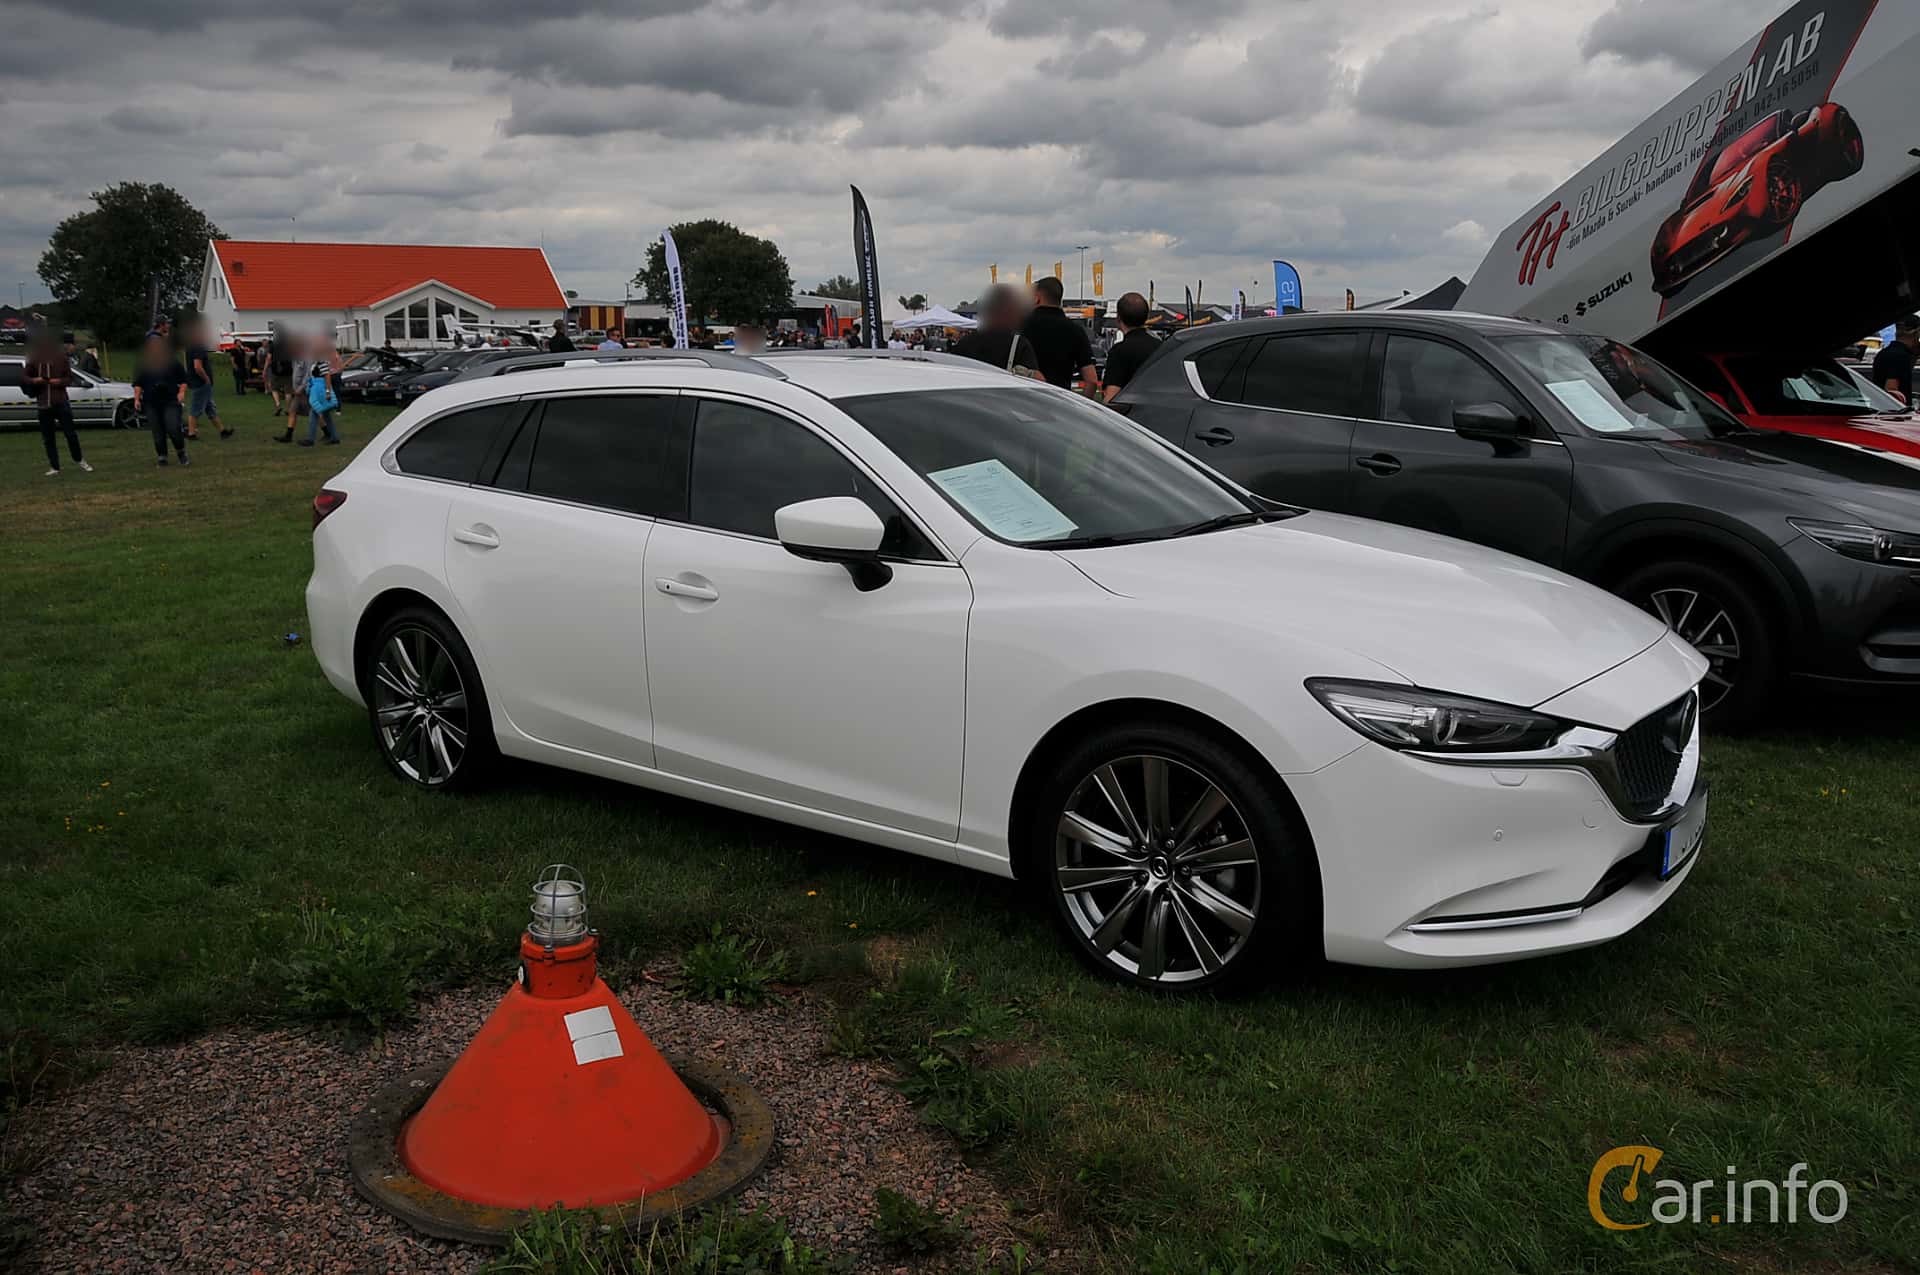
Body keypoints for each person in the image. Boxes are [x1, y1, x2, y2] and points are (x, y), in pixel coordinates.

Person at [23, 330, 90, 475]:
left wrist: (59, 381)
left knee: (70, 434)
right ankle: (54, 466)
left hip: (60, 401)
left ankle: (79, 459)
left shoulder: (61, 358)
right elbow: (25, 377)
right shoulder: (34, 358)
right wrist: (35, 380)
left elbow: (69, 378)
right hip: (43, 403)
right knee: (48, 438)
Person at [1023, 276, 1099, 394]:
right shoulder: (1075, 330)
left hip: (1026, 401)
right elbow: (1092, 380)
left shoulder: (1021, 327)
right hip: (1060, 402)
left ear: (1036, 298)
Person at [954, 284, 1042, 377]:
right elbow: (1037, 382)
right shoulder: (1018, 345)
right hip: (1004, 390)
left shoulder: (965, 343)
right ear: (1009, 312)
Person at [132, 335, 190, 466]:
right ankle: (162, 455)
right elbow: (138, 383)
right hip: (151, 402)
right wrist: (137, 399)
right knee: (157, 431)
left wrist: (181, 392)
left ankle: (181, 452)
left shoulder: (172, 362)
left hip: (170, 400)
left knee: (173, 427)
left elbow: (183, 380)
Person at [1100, 291, 1160, 404]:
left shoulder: (1119, 352)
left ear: (1118, 318)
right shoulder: (1161, 348)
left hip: (1131, 415)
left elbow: (1111, 398)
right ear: (1146, 317)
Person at [183, 320, 231, 440]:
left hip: (197, 382)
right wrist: (206, 379)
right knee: (195, 409)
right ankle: (191, 434)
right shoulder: (198, 348)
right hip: (201, 383)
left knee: (210, 409)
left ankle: (222, 431)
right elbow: (197, 366)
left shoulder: (190, 347)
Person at [298, 329, 342, 446]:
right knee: (326, 416)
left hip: (321, 391)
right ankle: (334, 437)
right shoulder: (315, 363)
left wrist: (327, 391)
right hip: (318, 390)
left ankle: (310, 439)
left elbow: (327, 376)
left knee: (314, 413)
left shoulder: (321, 363)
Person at [1871, 315, 1918, 405]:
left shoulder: (1884, 353)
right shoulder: (1900, 357)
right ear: (1916, 332)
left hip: (1879, 410)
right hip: (1896, 414)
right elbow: (1891, 390)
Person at [266, 325, 293, 413]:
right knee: (288, 390)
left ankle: (278, 405)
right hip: (288, 370)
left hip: (275, 370)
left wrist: (265, 369)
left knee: (274, 388)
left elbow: (269, 358)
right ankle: (288, 408)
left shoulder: (273, 344)